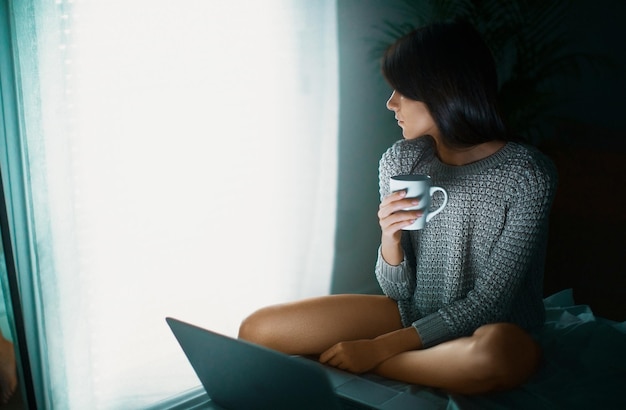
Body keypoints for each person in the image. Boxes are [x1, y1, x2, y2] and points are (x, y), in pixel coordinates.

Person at [238, 20, 557, 395]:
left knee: (494, 356)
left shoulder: (526, 175)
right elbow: (397, 291)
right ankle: (415, 365)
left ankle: (382, 365)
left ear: (442, 90)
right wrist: (390, 240)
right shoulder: (402, 161)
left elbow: (490, 304)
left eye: (402, 91)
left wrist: (378, 349)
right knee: (257, 330)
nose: (391, 104)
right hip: (411, 312)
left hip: (491, 327)